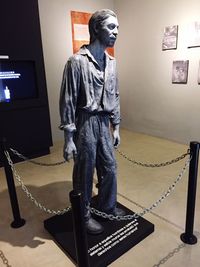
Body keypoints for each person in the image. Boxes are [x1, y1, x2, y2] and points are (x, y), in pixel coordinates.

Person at [59, 9, 124, 234]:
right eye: (111, 27)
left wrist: (116, 126)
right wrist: (68, 138)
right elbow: (67, 100)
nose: (116, 32)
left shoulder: (112, 62)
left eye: (117, 28)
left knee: (110, 169)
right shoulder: (76, 62)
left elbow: (115, 94)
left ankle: (107, 206)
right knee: (84, 172)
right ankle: (83, 215)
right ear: (96, 28)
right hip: (85, 123)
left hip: (104, 122)